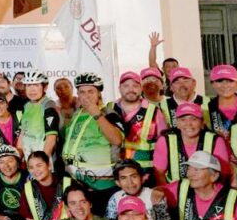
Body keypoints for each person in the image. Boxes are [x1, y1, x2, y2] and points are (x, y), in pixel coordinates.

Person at [62, 73, 125, 212]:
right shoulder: (77, 114)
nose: (86, 96)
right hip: (80, 184)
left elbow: (117, 140)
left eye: (91, 91)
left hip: (103, 187)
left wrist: (96, 113)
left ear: (99, 93)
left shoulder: (108, 112)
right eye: (82, 92)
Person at [154, 101, 230, 186]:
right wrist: (168, 191)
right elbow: (159, 173)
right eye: (183, 120)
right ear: (177, 123)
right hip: (174, 191)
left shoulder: (216, 141)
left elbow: (223, 174)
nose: (188, 124)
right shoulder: (165, 140)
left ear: (202, 123)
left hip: (206, 190)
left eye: (194, 119)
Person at [113, 71, 167, 174]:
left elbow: (164, 145)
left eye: (135, 86)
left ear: (141, 88)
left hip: (145, 174)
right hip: (115, 174)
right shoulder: (109, 108)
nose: (131, 89)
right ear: (119, 88)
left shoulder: (154, 112)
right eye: (126, 86)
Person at [104, 160, 175, 220]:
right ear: (118, 182)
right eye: (123, 178)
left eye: (134, 176)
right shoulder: (115, 198)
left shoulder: (154, 196)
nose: (130, 182)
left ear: (142, 178)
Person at [16, 71, 59, 158]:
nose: (32, 90)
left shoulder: (48, 105)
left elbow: (51, 138)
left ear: (45, 87)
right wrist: (18, 156)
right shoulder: (27, 106)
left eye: (36, 85)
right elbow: (22, 133)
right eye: (28, 85)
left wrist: (43, 160)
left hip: (43, 159)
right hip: (28, 157)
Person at [207, 65, 237, 140]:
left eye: (230, 81)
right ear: (212, 83)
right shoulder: (208, 107)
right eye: (220, 81)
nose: (225, 85)